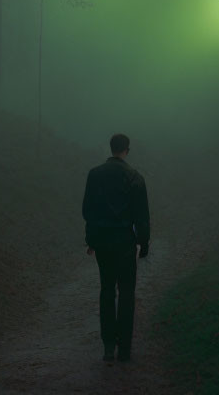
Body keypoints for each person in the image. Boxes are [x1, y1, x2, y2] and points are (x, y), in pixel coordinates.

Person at [82, 133, 150, 363]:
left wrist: (91, 240)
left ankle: (108, 346)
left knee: (107, 291)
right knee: (127, 293)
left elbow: (88, 212)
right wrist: (144, 243)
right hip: (125, 244)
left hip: (103, 242)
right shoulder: (135, 177)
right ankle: (125, 349)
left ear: (111, 149)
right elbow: (142, 216)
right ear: (126, 150)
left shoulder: (95, 174)